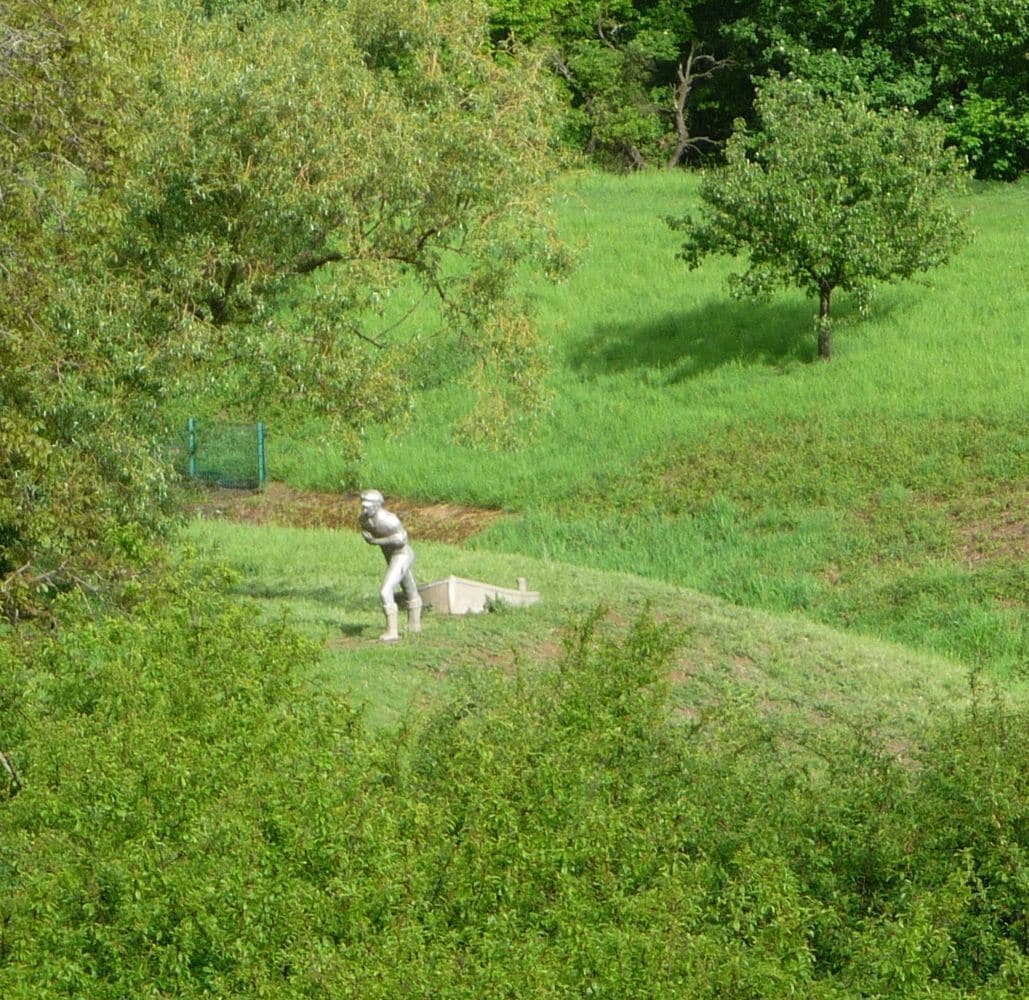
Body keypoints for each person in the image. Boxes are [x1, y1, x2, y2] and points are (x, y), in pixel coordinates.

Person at [359, 489, 422, 642]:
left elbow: (401, 540)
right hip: (390, 555)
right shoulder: (364, 519)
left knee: (385, 591)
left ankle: (392, 632)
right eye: (363, 505)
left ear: (377, 505)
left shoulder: (389, 520)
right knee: (409, 588)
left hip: (402, 555)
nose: (364, 508)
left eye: (368, 505)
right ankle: (414, 625)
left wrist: (375, 542)